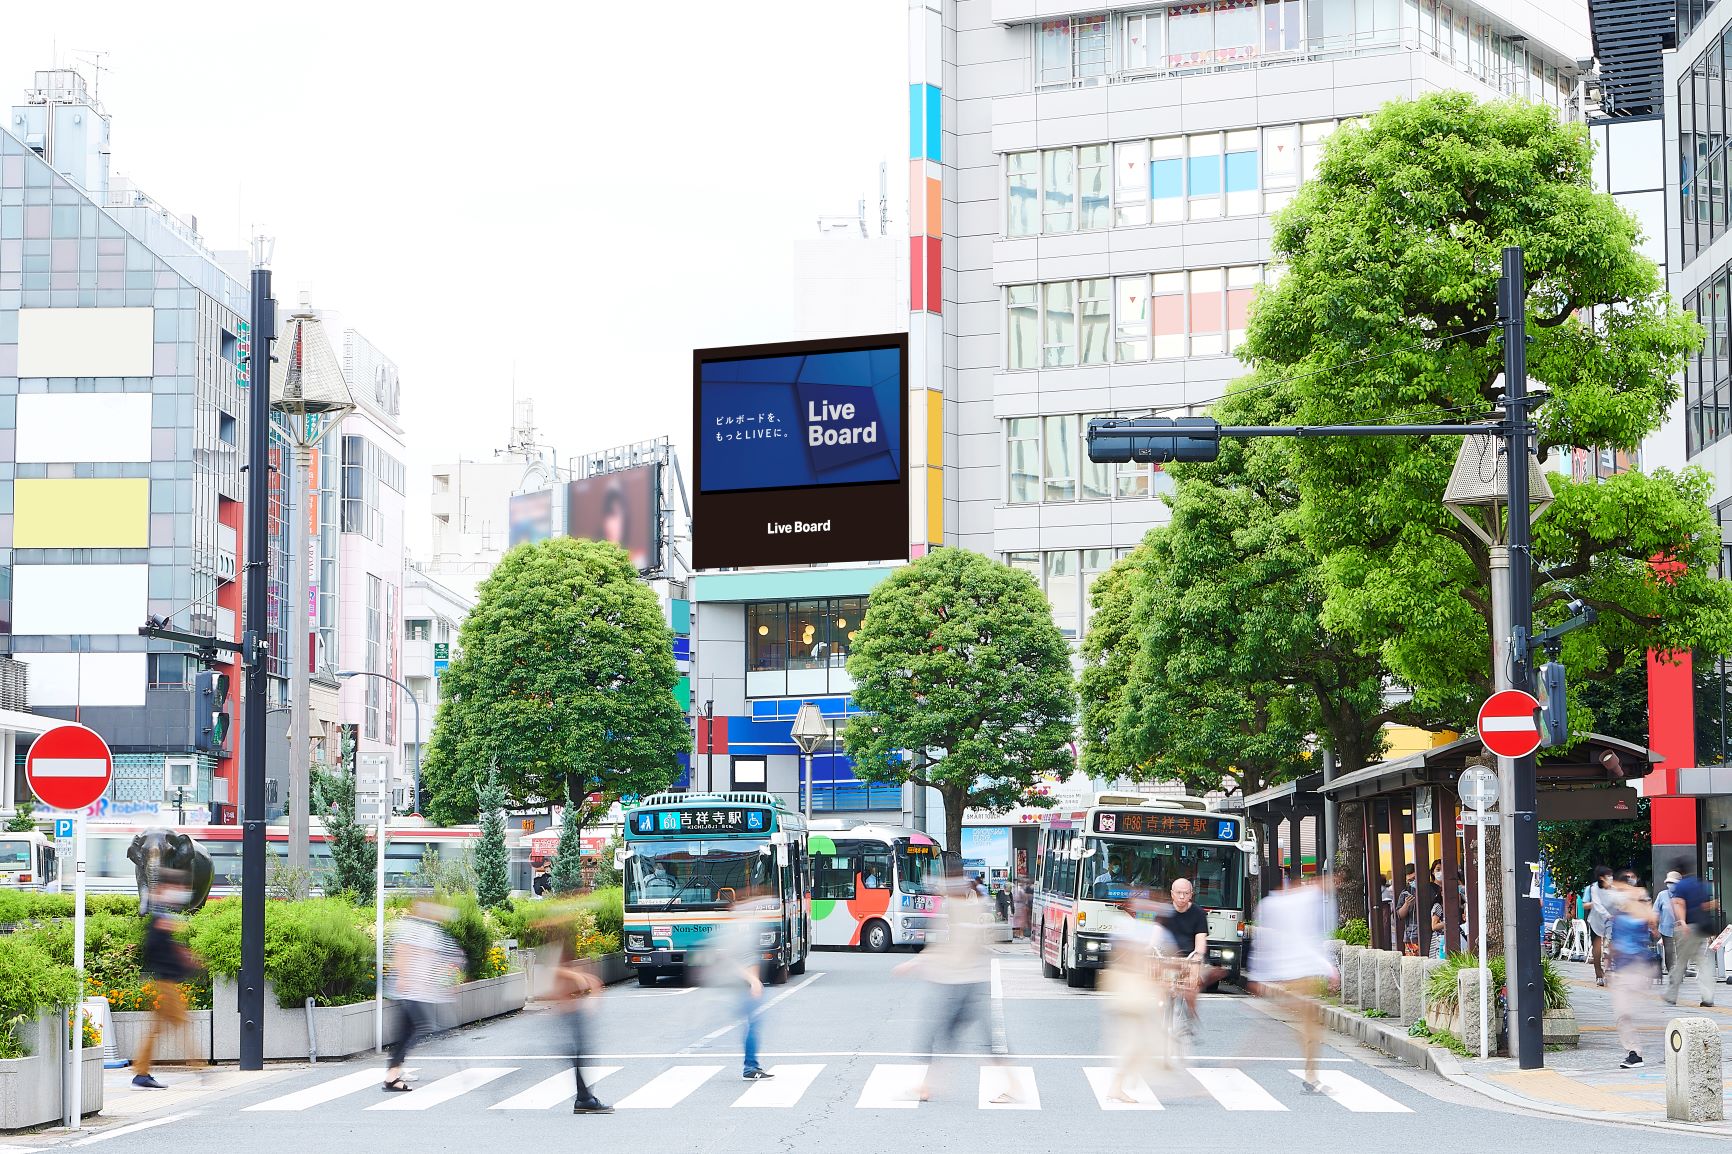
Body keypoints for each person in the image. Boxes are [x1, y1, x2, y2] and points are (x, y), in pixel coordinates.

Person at [897, 871, 1022, 1104]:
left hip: (962, 985)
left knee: (953, 1036)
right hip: (967, 983)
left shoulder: (959, 912)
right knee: (951, 1036)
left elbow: (956, 950)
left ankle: (1014, 1086)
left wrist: (919, 963)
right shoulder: (971, 909)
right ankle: (926, 1086)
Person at [1249, 875, 1334, 1093]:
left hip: (1287, 972)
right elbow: (1308, 940)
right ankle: (1311, 1074)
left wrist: (1257, 974)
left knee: (1306, 1024)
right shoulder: (1303, 901)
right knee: (1308, 1024)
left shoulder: (1270, 905)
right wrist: (1327, 967)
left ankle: (1311, 1073)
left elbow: (1264, 941)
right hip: (1299, 972)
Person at [1101, 895, 1179, 1104]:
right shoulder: (1152, 933)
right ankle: (1119, 1085)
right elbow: (1159, 963)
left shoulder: (1128, 928)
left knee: (1138, 1041)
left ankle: (1122, 1082)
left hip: (1130, 992)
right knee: (1139, 1042)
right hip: (1134, 994)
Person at [382, 901, 464, 1093]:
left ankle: (395, 1069)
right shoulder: (413, 928)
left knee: (409, 1028)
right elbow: (402, 951)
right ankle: (392, 1075)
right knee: (417, 1027)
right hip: (410, 989)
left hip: (417, 990)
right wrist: (403, 977)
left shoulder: (425, 929)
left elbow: (431, 958)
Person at [537, 910, 612, 1114]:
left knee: (579, 1051)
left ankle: (584, 1097)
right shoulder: (555, 941)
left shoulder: (559, 942)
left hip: (570, 1005)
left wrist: (585, 980)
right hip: (567, 1007)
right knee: (578, 1051)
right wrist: (579, 978)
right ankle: (584, 1098)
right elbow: (550, 969)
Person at [132, 874, 197, 1090]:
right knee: (183, 1023)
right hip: (166, 983)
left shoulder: (161, 916)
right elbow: (156, 947)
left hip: (166, 981)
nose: (178, 891)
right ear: (160, 891)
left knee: (157, 1029)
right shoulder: (159, 919)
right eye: (174, 887)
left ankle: (140, 1074)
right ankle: (201, 1068)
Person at [710, 898, 774, 1080]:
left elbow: (749, 958)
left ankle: (751, 1066)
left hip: (746, 986)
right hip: (741, 986)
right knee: (753, 1024)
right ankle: (750, 1067)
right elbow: (732, 962)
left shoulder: (745, 931)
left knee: (754, 1024)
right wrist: (753, 980)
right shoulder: (736, 934)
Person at [1607, 870, 1657, 1069]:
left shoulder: (1640, 908)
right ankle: (1634, 1052)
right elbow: (1615, 942)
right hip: (1622, 969)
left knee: (1625, 1013)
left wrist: (1638, 897)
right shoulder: (1618, 914)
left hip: (1637, 967)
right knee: (1623, 1014)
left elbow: (1653, 921)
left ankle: (1636, 1052)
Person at [1156, 877, 1210, 1034]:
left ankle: (1190, 1017)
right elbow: (1156, 935)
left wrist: (1198, 956)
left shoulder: (1198, 913)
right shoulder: (1164, 911)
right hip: (1166, 958)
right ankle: (1160, 1021)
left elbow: (1200, 942)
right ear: (1172, 894)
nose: (1182, 897)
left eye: (1185, 893)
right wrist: (1150, 947)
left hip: (1189, 959)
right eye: (1178, 893)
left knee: (1190, 988)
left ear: (1191, 894)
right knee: (1159, 986)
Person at [1666, 859, 1719, 1008]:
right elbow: (1704, 905)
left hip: (1688, 929)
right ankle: (1708, 997)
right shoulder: (1700, 884)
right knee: (1702, 963)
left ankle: (1671, 995)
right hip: (1701, 928)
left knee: (1681, 962)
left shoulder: (1681, 886)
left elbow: (1679, 904)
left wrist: (1682, 922)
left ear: (1679, 872)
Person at [1584, 866, 1614, 985]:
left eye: (1611, 876)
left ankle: (1608, 971)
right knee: (1597, 949)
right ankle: (1598, 973)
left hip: (1610, 922)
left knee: (1610, 948)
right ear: (1601, 877)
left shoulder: (1613, 889)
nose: (1611, 878)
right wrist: (1596, 904)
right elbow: (1585, 905)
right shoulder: (1592, 888)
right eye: (1608, 876)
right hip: (1596, 921)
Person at [1653, 870, 1680, 977]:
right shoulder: (1662, 895)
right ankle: (1672, 973)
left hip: (1680, 928)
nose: (1671, 885)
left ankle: (1680, 972)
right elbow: (1655, 911)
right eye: (1670, 883)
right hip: (1666, 928)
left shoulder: (1682, 895)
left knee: (1681, 952)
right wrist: (1654, 926)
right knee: (1669, 952)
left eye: (1674, 883)